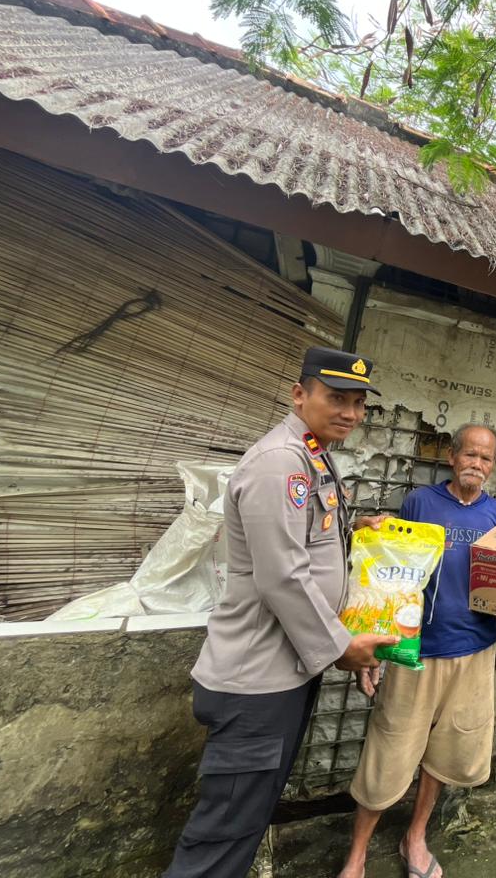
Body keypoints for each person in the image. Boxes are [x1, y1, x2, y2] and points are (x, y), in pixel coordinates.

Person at [163, 347, 397, 878]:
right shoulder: (280, 463)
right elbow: (282, 576)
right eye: (337, 398)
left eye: (359, 403)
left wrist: (353, 531)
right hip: (257, 683)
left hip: (280, 676)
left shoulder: (312, 453)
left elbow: (301, 543)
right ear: (299, 394)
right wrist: (341, 646)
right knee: (221, 840)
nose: (351, 413)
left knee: (242, 826)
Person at [338, 423, 496, 878]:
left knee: (445, 750)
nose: (477, 464)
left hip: (474, 648)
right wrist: (374, 650)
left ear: (493, 466)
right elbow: (392, 574)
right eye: (470, 454)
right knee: (390, 748)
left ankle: (415, 837)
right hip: (417, 649)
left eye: (486, 458)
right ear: (453, 457)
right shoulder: (420, 502)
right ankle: (356, 854)